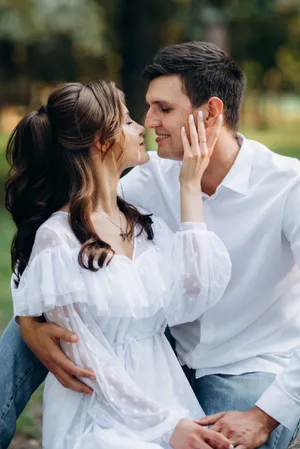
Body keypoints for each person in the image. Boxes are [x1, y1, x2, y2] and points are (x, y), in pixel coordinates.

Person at [1, 40, 300, 449]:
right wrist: (27, 321)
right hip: (160, 345)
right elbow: (50, 246)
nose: (148, 121)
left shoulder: (288, 186)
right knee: (39, 317)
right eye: (146, 108)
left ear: (211, 112)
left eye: (164, 108)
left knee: (224, 443)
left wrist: (267, 415)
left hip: (243, 365)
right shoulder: (143, 179)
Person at [4, 80, 233, 449]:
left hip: (164, 394)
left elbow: (196, 290)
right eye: (127, 122)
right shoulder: (58, 237)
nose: (142, 127)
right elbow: (89, 363)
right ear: (101, 140)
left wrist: (189, 187)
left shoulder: (142, 224)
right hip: (103, 412)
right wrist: (166, 427)